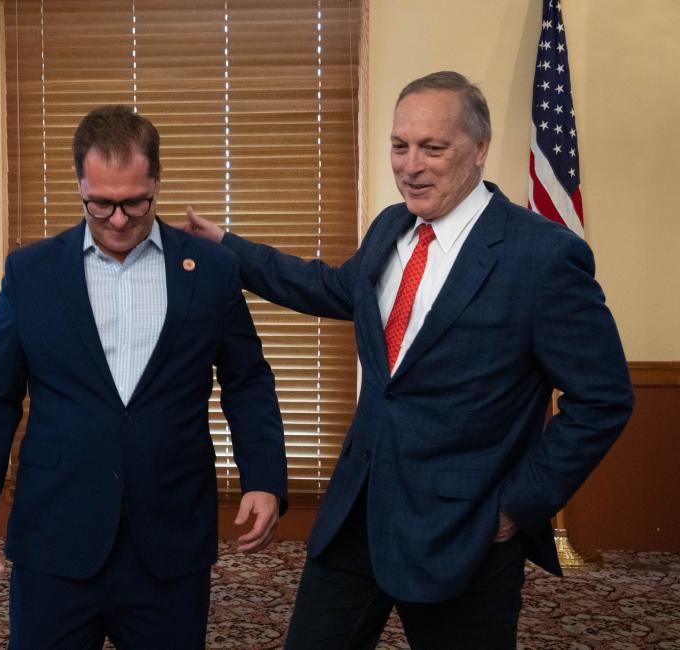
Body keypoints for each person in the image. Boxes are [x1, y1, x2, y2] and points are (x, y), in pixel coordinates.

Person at [182, 71, 634, 649]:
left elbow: (604, 398)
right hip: (357, 515)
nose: (410, 165)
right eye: (400, 146)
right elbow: (331, 288)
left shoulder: (542, 257)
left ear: (479, 149)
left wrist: (516, 507)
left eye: (432, 148)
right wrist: (229, 247)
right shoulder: (391, 228)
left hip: (463, 532)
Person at [0, 105, 287, 649]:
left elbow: (246, 380)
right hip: (56, 534)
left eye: (134, 201)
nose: (116, 219)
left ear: (156, 181)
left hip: (169, 538)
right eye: (99, 203)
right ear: (79, 184)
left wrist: (265, 477)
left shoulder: (211, 270)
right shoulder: (31, 273)